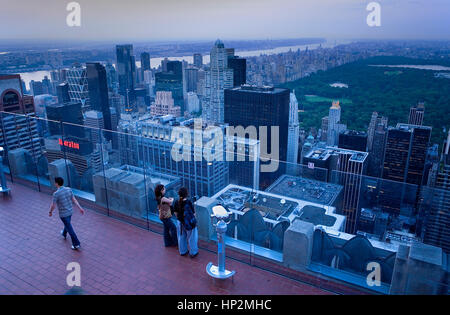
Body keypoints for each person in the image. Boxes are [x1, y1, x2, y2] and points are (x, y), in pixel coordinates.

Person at [49, 177, 84, 250]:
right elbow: (74, 199)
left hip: (63, 214)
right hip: (70, 211)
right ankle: (64, 233)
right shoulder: (69, 189)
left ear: (56, 183)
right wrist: (80, 208)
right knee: (67, 224)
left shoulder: (56, 194)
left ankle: (76, 244)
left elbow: (53, 205)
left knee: (70, 228)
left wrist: (50, 212)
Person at [173, 187, 198, 258]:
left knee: (181, 237)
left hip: (180, 222)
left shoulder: (176, 202)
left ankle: (183, 251)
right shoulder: (189, 202)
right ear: (187, 194)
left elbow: (176, 213)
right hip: (189, 223)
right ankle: (193, 252)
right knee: (192, 238)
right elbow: (193, 213)